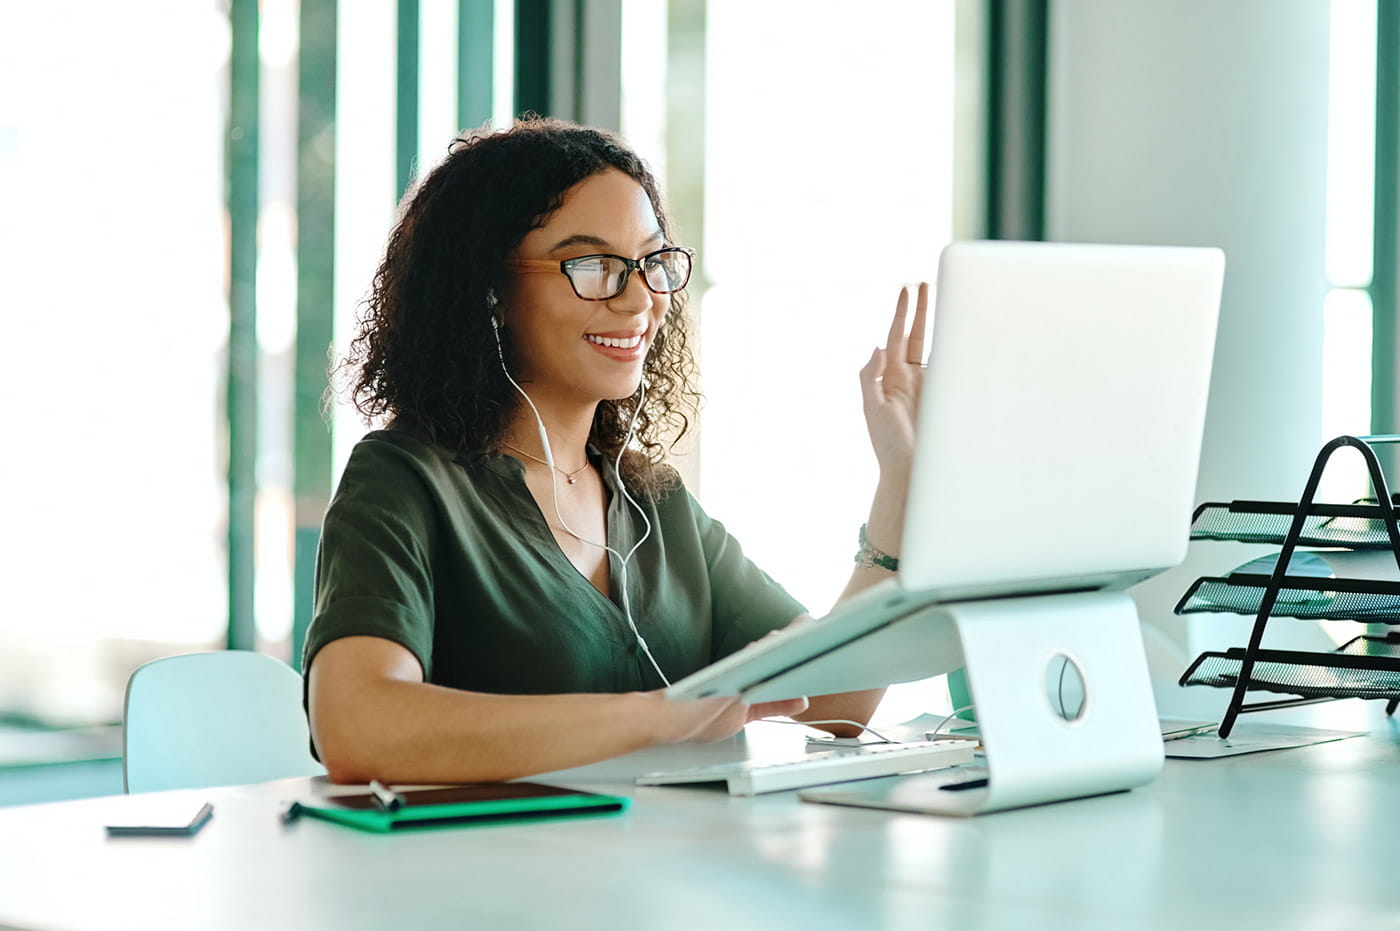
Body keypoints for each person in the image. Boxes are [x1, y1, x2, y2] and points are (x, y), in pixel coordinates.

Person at [305, 117, 929, 785]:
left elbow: (834, 703)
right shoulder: (405, 479)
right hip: (482, 883)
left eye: (651, 261)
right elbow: (358, 725)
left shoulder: (656, 505)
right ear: (489, 291)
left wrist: (901, 480)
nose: (640, 298)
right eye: (594, 265)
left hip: (651, 881)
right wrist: (662, 715)